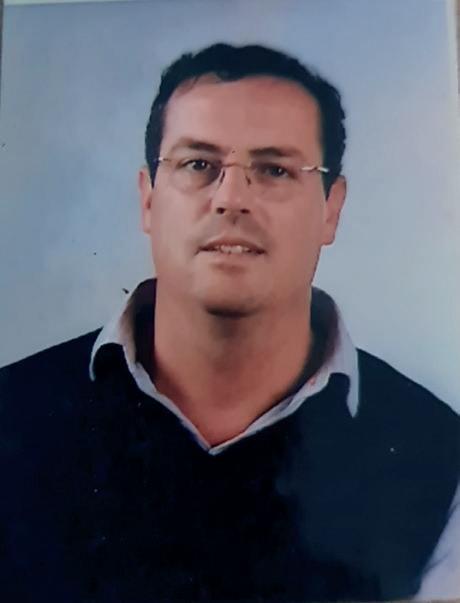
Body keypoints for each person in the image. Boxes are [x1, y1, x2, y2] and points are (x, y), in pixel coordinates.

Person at [0, 43, 458, 602]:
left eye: (274, 169)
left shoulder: (440, 460)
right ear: (148, 200)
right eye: (198, 164)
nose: (231, 198)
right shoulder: (11, 416)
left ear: (331, 208)